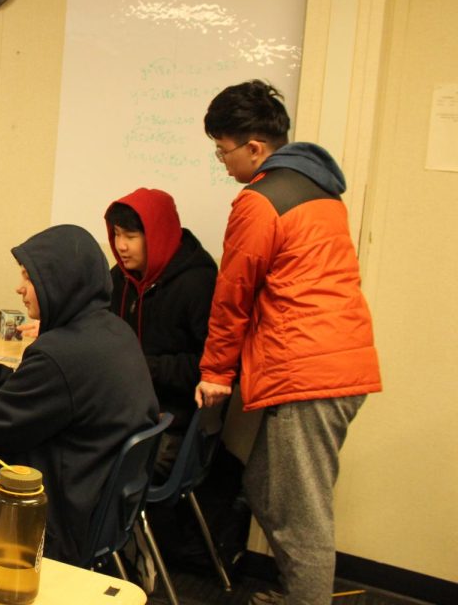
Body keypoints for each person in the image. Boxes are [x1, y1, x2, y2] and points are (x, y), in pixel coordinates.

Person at [197, 80, 382, 605]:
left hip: (308, 373)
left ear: (255, 147)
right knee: (266, 486)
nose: (222, 162)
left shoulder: (259, 201)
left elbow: (232, 295)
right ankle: (301, 596)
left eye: (223, 150)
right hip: (334, 365)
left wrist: (215, 373)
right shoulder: (321, 191)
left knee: (301, 517)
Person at [0, 224, 158, 564]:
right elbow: (45, 394)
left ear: (59, 283)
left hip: (49, 514)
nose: (19, 288)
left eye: (28, 278)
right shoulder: (112, 330)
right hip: (94, 500)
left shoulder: (60, 352)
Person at [105, 189, 217, 469]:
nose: (121, 246)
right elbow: (94, 324)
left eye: (130, 237)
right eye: (117, 234)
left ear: (156, 236)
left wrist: (145, 367)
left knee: (79, 464)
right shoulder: (120, 278)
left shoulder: (197, 282)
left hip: (168, 422)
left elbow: (211, 366)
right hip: (121, 411)